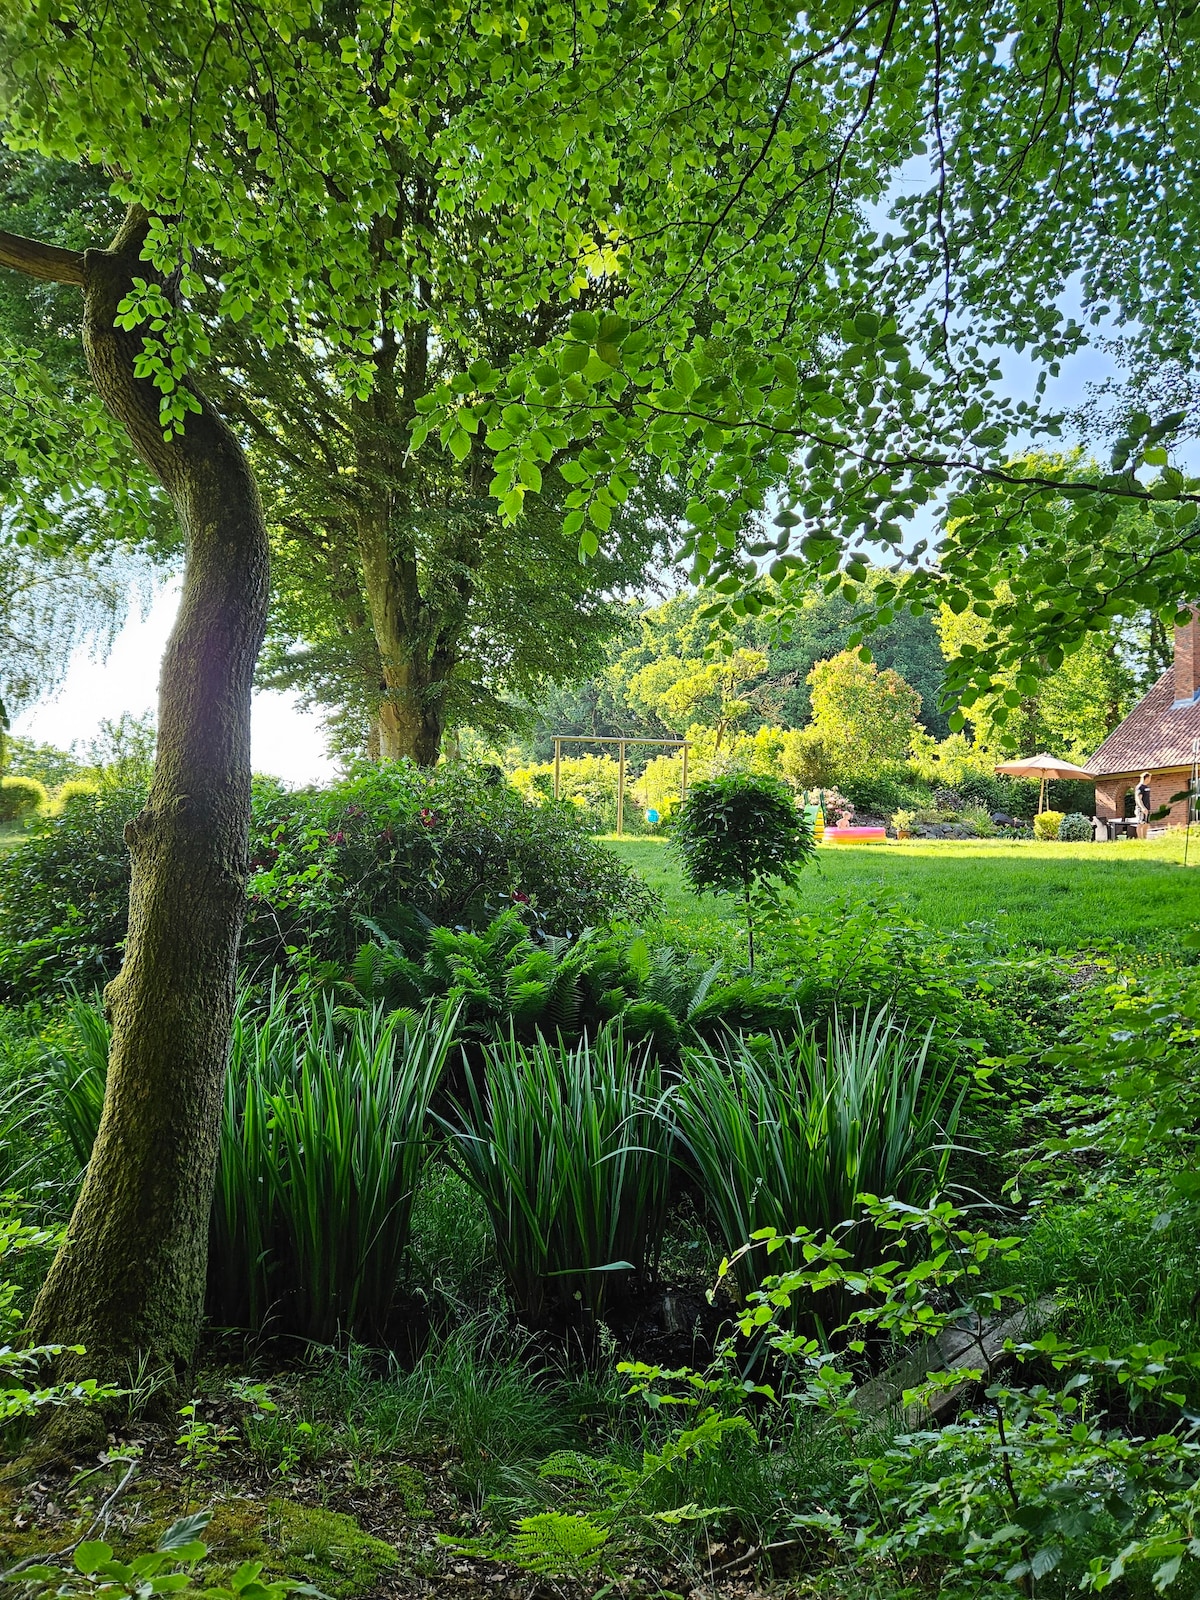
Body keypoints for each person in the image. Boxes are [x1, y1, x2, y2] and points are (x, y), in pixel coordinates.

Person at [1135, 771, 1153, 839]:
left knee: (1146, 824)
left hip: (1147, 808)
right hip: (1141, 809)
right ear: (1147, 778)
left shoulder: (1146, 787)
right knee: (1141, 824)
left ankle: (1144, 839)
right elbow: (1138, 798)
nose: (1150, 780)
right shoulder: (1140, 787)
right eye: (1149, 778)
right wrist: (1142, 808)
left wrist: (1147, 808)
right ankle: (1140, 839)